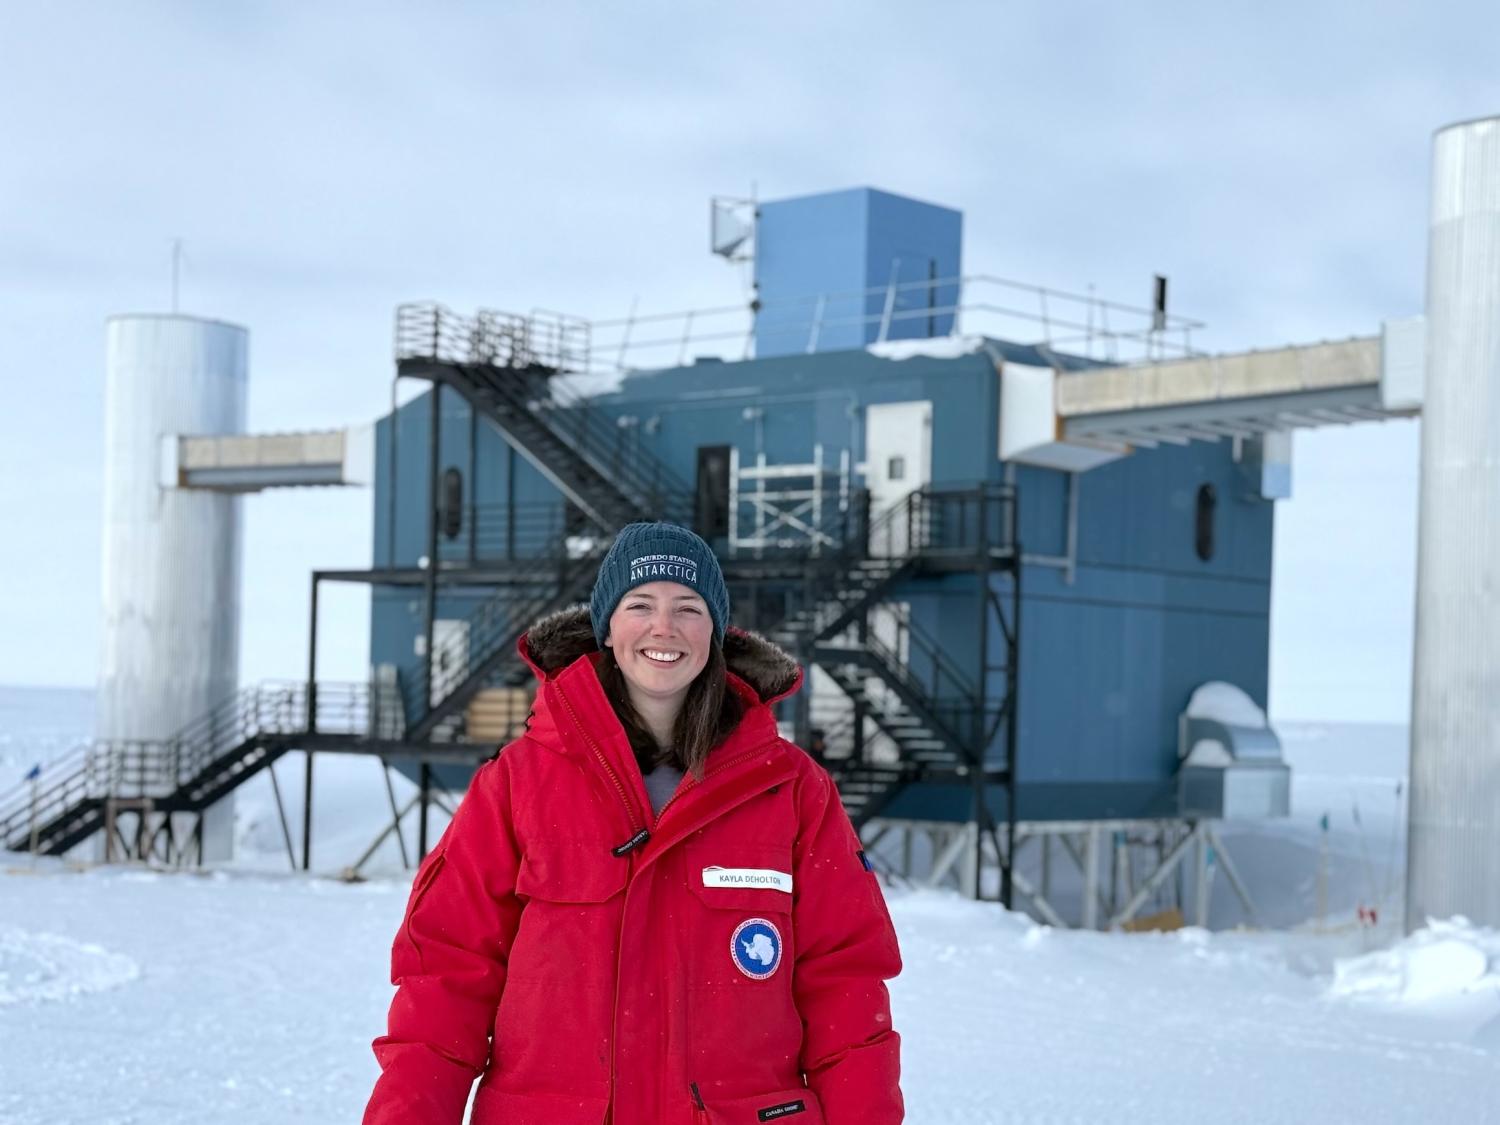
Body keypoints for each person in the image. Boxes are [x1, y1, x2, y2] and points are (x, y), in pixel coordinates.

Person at [363, 522, 904, 1125]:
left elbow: (847, 993)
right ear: (608, 627)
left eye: (688, 607)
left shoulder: (794, 791)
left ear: (716, 632)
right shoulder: (517, 784)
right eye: (640, 604)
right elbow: (444, 980)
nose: (663, 627)